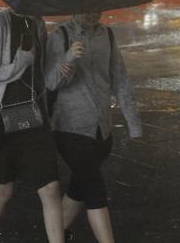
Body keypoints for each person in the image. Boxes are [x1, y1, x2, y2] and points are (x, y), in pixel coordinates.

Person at [45, 13, 142, 243]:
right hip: (70, 129)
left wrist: (133, 122)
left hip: (101, 130)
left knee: (79, 187)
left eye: (98, 6)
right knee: (94, 189)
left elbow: (119, 78)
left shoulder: (106, 34)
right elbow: (50, 82)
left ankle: (55, 235)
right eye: (88, 7)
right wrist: (69, 58)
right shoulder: (60, 36)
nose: (94, 12)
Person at [0, 7, 64, 243]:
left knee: (51, 189)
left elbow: (42, 72)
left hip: (35, 117)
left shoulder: (37, 21)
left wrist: (62, 69)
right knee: (4, 190)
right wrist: (19, 64)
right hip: (4, 119)